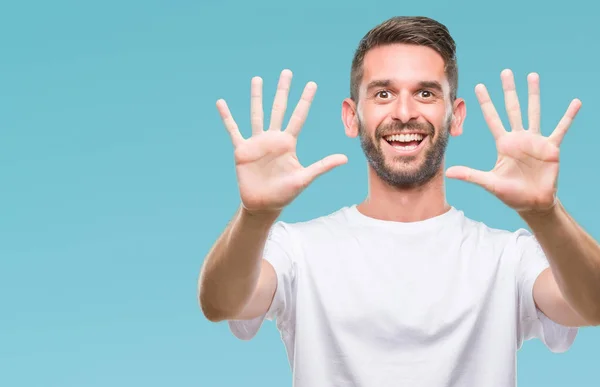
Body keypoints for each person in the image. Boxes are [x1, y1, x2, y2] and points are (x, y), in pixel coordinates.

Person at [198, 16, 600, 387]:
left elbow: (593, 306)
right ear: (351, 116)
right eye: (383, 93)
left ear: (455, 117)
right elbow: (220, 304)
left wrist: (545, 214)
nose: (404, 113)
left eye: (425, 93)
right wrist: (255, 216)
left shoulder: (507, 258)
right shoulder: (299, 251)